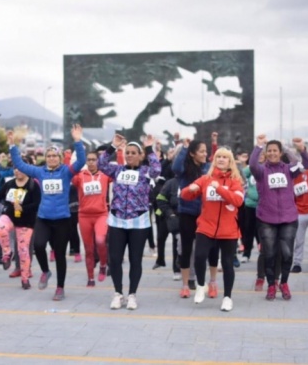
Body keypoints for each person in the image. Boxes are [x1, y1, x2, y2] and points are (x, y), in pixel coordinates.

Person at [7, 125, 85, 301]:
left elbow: (80, 162)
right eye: (48, 156)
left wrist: (78, 141)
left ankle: (60, 287)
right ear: (46, 158)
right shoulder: (39, 172)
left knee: (59, 255)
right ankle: (45, 271)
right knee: (39, 246)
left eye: (54, 156)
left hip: (62, 220)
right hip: (43, 218)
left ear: (59, 158)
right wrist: (12, 146)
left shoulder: (66, 172)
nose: (51, 158)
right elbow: (19, 164)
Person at [98, 133, 161, 310]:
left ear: (140, 155)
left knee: (135, 259)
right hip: (117, 220)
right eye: (128, 152)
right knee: (115, 259)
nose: (130, 155)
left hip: (138, 222)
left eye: (134, 152)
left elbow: (157, 170)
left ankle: (132, 294)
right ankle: (118, 293)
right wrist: (113, 146)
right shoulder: (117, 170)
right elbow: (101, 164)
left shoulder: (145, 172)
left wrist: (149, 148)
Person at [181, 147, 244, 311]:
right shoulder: (205, 179)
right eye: (218, 157)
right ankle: (201, 285)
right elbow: (184, 195)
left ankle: (227, 297)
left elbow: (238, 201)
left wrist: (220, 189)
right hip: (206, 227)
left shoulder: (235, 181)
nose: (221, 159)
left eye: (225, 157)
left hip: (228, 229)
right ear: (214, 160)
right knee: (200, 256)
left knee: (227, 263)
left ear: (230, 162)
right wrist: (190, 190)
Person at [249, 134, 308, 301]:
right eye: (269, 151)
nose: (272, 153)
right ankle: (270, 285)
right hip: (266, 218)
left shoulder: (288, 169)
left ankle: (283, 283)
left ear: (280, 152)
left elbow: (306, 164)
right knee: (269, 254)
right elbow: (253, 164)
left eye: (275, 151)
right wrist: (259, 146)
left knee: (287, 253)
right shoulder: (261, 171)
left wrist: (298, 149)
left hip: (288, 218)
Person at [171, 136, 219, 298]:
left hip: (207, 213)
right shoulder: (184, 168)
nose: (205, 154)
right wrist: (184, 148)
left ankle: (212, 282)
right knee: (186, 248)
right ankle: (185, 285)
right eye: (201, 151)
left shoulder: (209, 168)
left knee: (211, 248)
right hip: (187, 212)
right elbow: (176, 167)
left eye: (206, 151)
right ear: (193, 154)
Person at [0, 158, 41, 289]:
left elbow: (37, 204)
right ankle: (7, 253)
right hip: (9, 215)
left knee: (23, 251)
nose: (17, 171)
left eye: (20, 168)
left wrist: (23, 208)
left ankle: (25, 278)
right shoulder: (10, 184)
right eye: (15, 168)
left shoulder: (33, 185)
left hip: (26, 221)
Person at [72, 150, 111, 287]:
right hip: (84, 216)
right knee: (88, 248)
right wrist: (69, 157)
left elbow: (119, 169)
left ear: (98, 161)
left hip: (101, 214)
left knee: (100, 241)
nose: (91, 162)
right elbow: (68, 172)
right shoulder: (80, 176)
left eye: (94, 159)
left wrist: (119, 151)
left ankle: (103, 265)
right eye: (89, 160)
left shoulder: (105, 175)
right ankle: (90, 277)